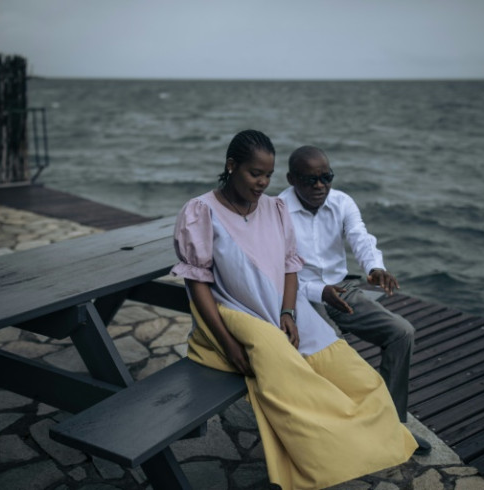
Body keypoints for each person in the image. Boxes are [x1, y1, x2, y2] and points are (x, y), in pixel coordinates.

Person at [171, 130, 416, 490]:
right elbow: (198, 283)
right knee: (294, 377)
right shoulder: (201, 211)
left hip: (296, 303)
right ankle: (327, 449)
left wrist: (288, 311)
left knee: (361, 376)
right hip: (242, 313)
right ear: (231, 166)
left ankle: (385, 430)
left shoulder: (275, 208)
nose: (262, 182)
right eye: (256, 173)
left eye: (267, 175)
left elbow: (293, 264)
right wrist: (227, 342)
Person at [278, 145, 432, 455]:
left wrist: (375, 268)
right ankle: (340, 427)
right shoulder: (277, 211)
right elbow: (279, 271)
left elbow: (360, 237)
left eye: (326, 177)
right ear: (292, 179)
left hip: (341, 288)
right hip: (302, 294)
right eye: (310, 180)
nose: (320, 185)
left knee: (401, 333)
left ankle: (390, 422)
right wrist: (316, 293)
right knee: (333, 349)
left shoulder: (341, 202)